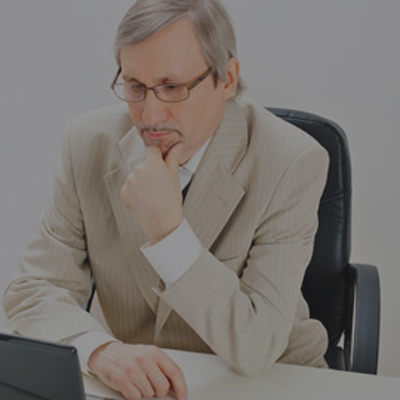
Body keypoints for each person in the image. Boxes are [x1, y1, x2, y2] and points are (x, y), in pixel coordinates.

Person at [3, 1, 330, 399]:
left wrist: (168, 233)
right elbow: (33, 289)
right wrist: (100, 350)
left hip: (272, 383)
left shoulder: (291, 161)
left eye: (172, 87)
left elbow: (258, 346)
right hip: (141, 388)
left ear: (227, 79)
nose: (150, 115)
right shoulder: (86, 144)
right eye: (135, 86)